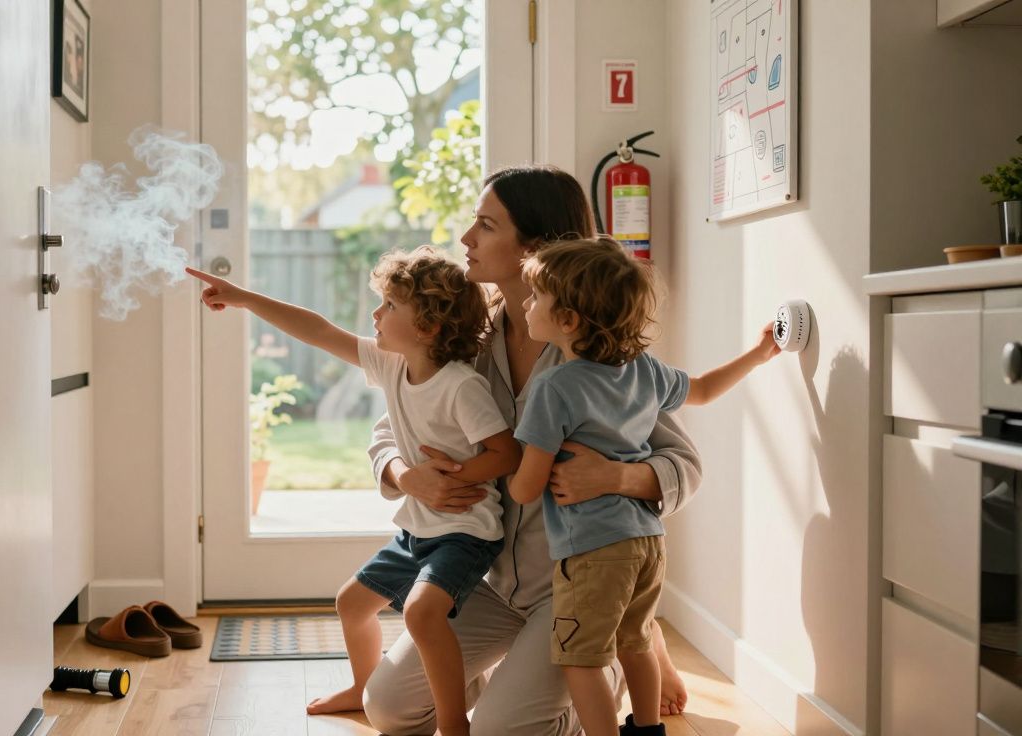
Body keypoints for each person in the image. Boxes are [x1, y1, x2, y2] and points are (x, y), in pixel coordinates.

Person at [363, 165, 702, 735]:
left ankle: (615, 656)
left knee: (501, 731)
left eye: (487, 225)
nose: (467, 238)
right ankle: (533, 679)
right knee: (388, 707)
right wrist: (402, 473)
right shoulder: (470, 341)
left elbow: (684, 464)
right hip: (492, 583)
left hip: (576, 585)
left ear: (536, 248)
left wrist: (618, 478)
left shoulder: (595, 356)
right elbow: (389, 427)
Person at [186, 247, 521, 736]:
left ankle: (452, 723)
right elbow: (319, 330)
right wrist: (244, 299)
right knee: (352, 603)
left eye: (389, 306)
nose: (376, 314)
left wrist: (455, 477)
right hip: (418, 528)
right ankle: (362, 687)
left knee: (423, 614)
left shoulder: (460, 386)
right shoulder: (391, 365)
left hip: (465, 532)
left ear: (426, 327)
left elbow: (506, 454)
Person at [508, 238, 779, 735]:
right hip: (647, 542)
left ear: (567, 320)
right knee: (636, 642)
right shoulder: (644, 369)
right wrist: (760, 353)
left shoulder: (555, 388)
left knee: (581, 659)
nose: (525, 304)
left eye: (535, 297)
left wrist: (515, 468)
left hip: (592, 551)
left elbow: (526, 489)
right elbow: (703, 389)